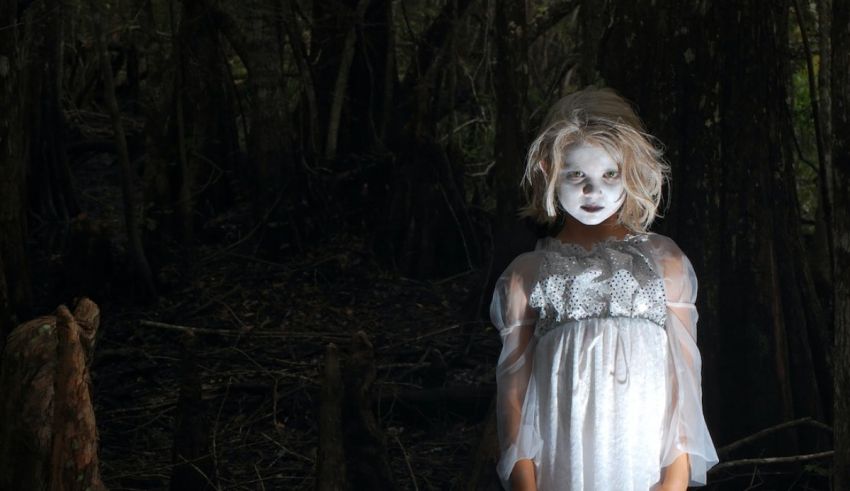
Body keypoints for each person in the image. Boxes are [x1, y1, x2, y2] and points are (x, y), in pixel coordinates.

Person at [490, 87, 719, 490]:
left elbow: (685, 385)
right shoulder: (527, 275)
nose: (593, 192)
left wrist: (673, 482)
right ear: (547, 170)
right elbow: (513, 396)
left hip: (643, 464)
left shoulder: (665, 263)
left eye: (609, 174)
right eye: (577, 175)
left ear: (630, 170)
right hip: (562, 465)